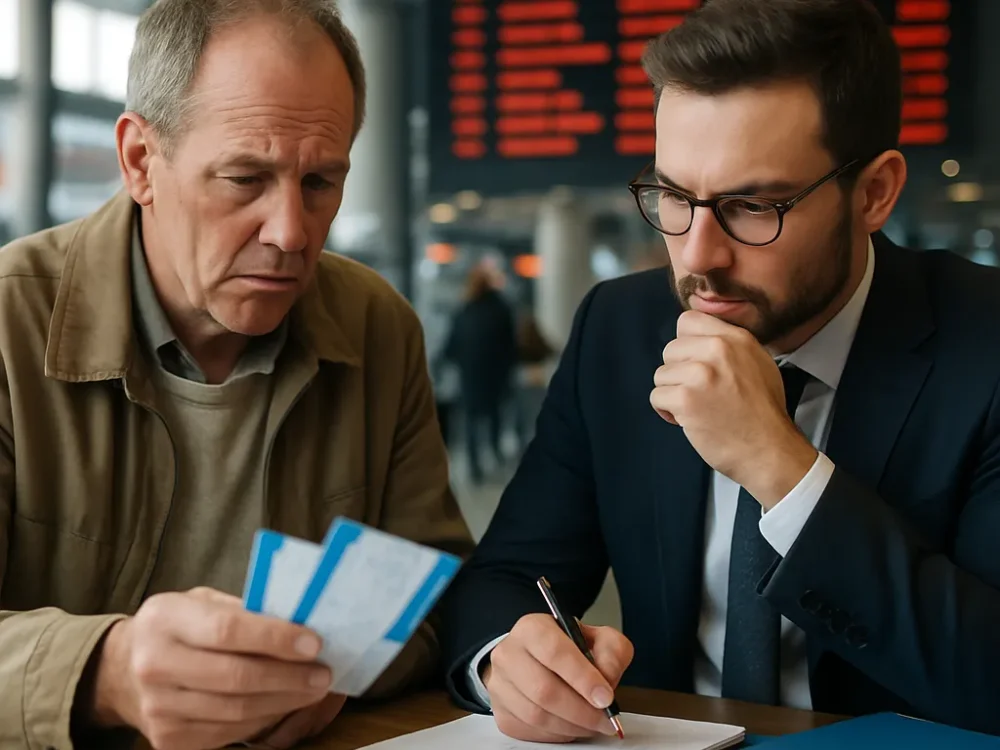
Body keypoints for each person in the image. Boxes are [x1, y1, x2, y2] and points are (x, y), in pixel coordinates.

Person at [437, 0, 1000, 742]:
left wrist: (779, 467)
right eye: (674, 196)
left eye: (752, 205)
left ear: (873, 194)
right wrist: (508, 659)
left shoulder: (983, 342)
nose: (698, 254)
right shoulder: (619, 328)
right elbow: (503, 578)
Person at [0, 1, 472, 749]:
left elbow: (440, 596)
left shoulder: (377, 326)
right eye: (245, 178)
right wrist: (104, 674)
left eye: (320, 182)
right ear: (139, 163)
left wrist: (335, 674)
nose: (291, 233)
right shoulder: (6, 323)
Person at [442, 263, 518, 484]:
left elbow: (451, 346)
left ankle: (475, 467)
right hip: (496, 376)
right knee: (495, 416)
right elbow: (511, 346)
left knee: (471, 420)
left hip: (470, 376)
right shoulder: (502, 309)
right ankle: (495, 455)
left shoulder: (465, 310)